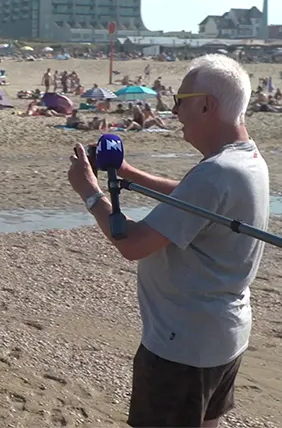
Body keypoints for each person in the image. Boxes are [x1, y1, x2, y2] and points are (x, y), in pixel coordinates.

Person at [67, 54, 269, 428]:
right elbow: (192, 196)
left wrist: (90, 193)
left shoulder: (216, 172)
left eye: (180, 101)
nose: (175, 111)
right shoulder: (248, 159)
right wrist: (127, 173)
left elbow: (132, 244)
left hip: (182, 345)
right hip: (223, 334)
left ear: (206, 105)